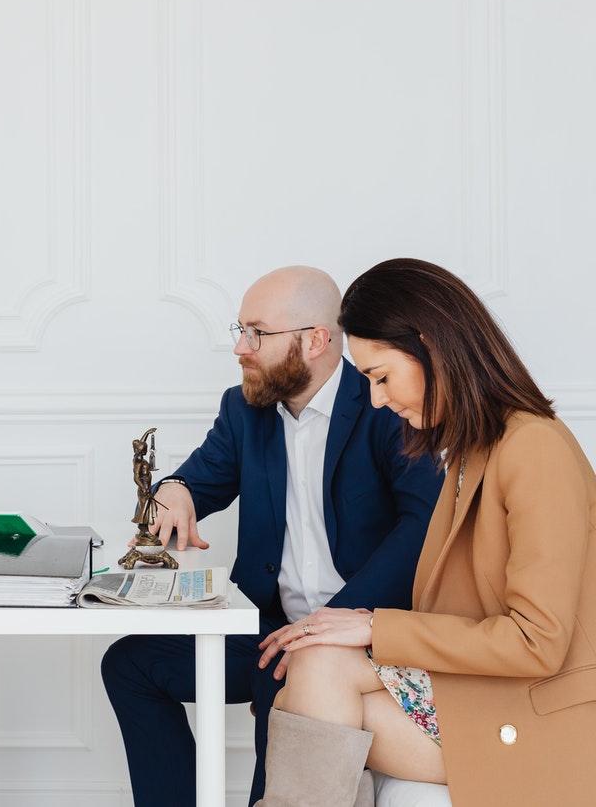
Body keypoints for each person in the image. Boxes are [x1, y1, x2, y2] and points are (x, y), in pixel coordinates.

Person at [254, 258, 596, 806]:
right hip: (484, 693)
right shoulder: (471, 451)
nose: (377, 400)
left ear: (430, 347)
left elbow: (538, 642)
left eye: (381, 377)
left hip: (540, 714)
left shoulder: (535, 448)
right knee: (314, 667)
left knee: (308, 690)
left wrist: (374, 625)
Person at [101, 265, 443, 806]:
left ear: (315, 340)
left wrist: (332, 625)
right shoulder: (244, 410)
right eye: (241, 330)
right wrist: (177, 489)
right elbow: (201, 476)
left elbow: (422, 524)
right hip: (268, 627)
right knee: (130, 665)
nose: (241, 347)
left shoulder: (385, 404)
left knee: (283, 677)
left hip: (361, 637)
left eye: (256, 332)